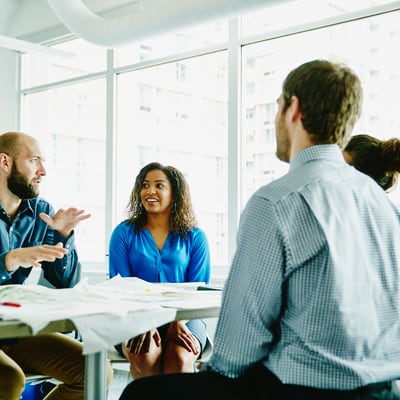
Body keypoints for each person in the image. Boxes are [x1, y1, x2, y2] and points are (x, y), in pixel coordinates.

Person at [119, 59, 400, 400]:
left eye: (278, 107)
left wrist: (215, 370)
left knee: (140, 394)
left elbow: (237, 350)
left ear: (293, 109)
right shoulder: (382, 203)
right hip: (384, 390)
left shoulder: (276, 202)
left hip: (302, 389)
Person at [0, 131, 113, 400]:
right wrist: (9, 260)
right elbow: (12, 261)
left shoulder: (41, 211)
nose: (43, 171)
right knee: (9, 379)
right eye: (34, 160)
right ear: (5, 162)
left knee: (96, 371)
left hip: (14, 329)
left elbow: (65, 283)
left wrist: (63, 239)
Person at [109, 162, 211, 379]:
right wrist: (145, 320)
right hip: (133, 315)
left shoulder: (195, 237)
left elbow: (198, 290)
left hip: (186, 316)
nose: (150, 191)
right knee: (144, 355)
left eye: (159, 185)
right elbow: (120, 288)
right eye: (145, 185)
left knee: (179, 358)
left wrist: (178, 321)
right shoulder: (123, 233)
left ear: (175, 193)